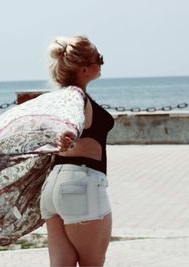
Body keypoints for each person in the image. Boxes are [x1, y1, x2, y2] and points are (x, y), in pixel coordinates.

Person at [40, 36, 114, 267]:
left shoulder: (57, 99)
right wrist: (68, 137)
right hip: (81, 186)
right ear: (84, 69)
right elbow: (72, 124)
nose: (101, 63)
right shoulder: (76, 98)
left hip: (52, 188)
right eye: (99, 59)